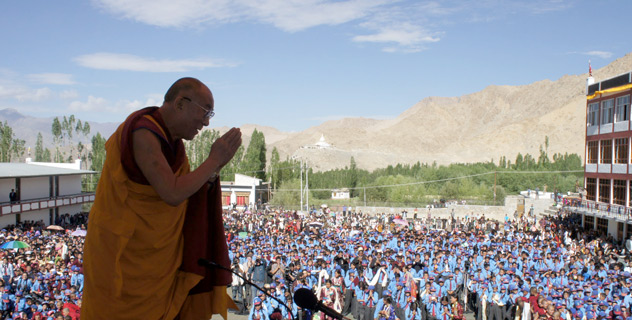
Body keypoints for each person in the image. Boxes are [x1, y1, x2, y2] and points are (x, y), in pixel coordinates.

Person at [82, 77, 242, 319]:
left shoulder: (174, 145)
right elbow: (172, 193)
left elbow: (187, 191)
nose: (207, 122)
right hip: (124, 260)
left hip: (161, 263)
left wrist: (213, 172)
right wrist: (213, 161)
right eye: (205, 112)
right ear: (180, 104)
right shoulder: (142, 133)